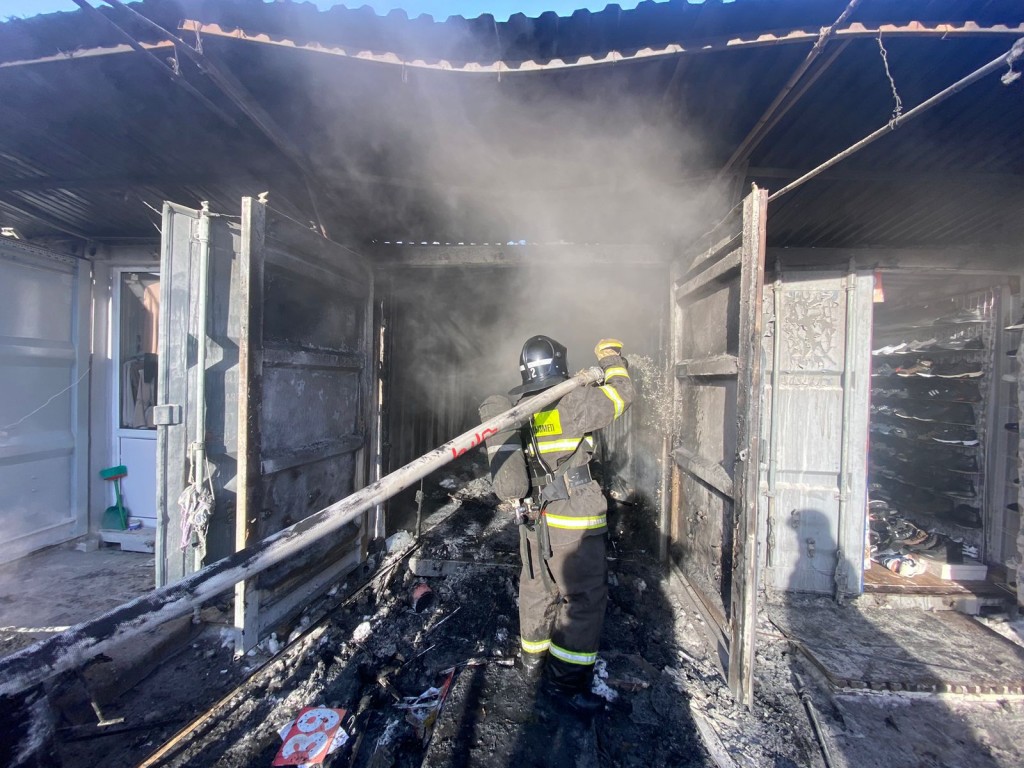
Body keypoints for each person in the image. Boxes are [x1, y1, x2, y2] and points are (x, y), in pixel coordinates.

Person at [479, 335, 634, 713]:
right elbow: (622, 394)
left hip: (533, 520)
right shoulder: (572, 402)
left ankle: (533, 664)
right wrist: (612, 357)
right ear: (558, 365)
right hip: (572, 521)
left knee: (536, 590)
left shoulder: (518, 408)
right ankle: (565, 686)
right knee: (582, 600)